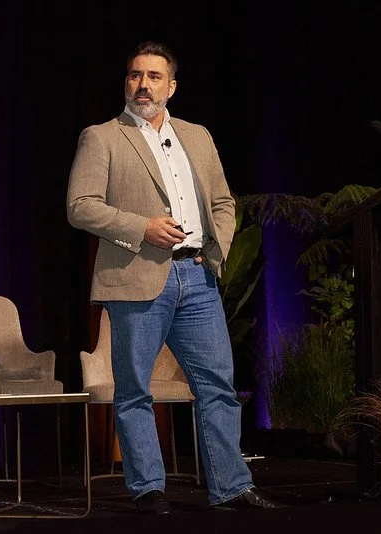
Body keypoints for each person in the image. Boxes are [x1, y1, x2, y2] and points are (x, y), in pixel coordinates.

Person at [66, 41, 284, 515]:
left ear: (172, 87)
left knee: (218, 386)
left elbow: (223, 203)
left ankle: (231, 487)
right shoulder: (102, 137)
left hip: (197, 278)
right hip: (136, 277)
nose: (142, 85)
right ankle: (148, 489)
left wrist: (215, 252)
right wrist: (140, 227)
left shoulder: (197, 136)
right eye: (134, 75)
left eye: (153, 77)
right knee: (134, 390)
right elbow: (80, 206)